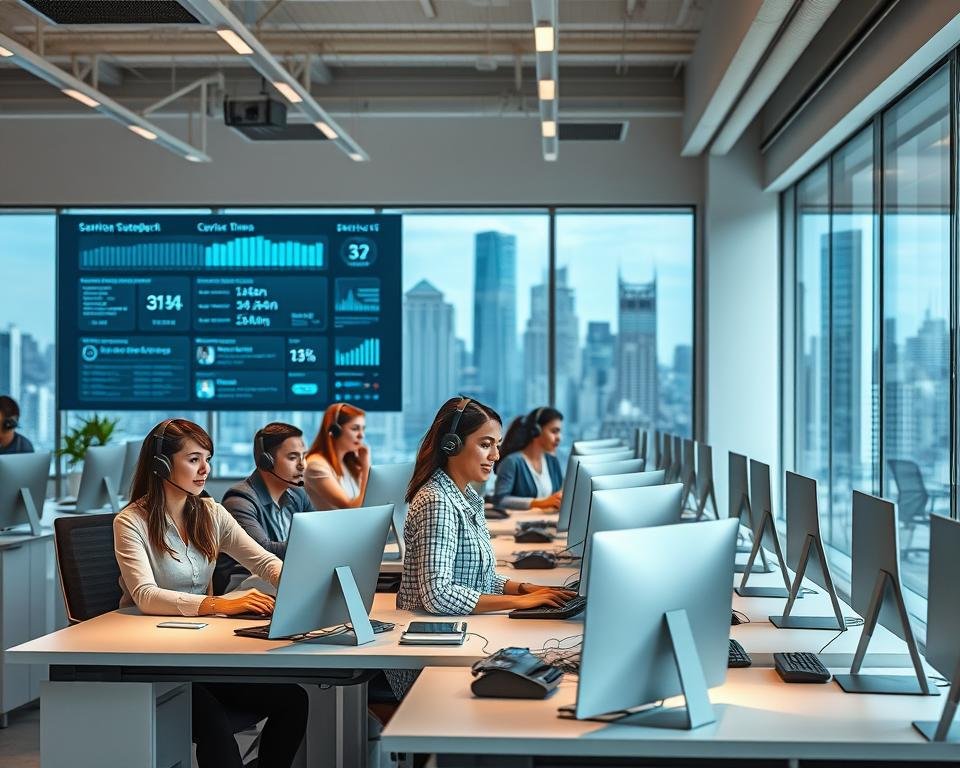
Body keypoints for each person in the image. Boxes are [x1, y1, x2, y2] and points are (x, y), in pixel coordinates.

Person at [113, 418, 307, 768]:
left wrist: (302, 591)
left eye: (208, 459)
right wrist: (220, 604)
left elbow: (264, 562)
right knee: (215, 724)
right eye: (194, 459)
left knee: (293, 700)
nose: (205, 469)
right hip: (153, 659)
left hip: (199, 653)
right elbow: (144, 594)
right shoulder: (131, 522)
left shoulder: (210, 512)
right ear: (161, 464)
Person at [397, 396, 576, 615]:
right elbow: (439, 596)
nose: (495, 455)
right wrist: (519, 602)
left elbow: (481, 578)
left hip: (463, 622)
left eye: (497, 445)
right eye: (485, 445)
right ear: (452, 445)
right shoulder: (437, 501)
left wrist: (525, 589)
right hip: (431, 627)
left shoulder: (467, 497)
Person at [213, 422, 312, 595]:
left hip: (285, 580)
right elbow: (263, 551)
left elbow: (319, 536)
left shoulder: (298, 496)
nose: (302, 465)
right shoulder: (239, 499)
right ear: (266, 461)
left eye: (304, 456)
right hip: (242, 586)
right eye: (292, 457)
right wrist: (313, 546)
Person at [493, 406, 564, 511]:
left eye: (559, 432)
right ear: (537, 430)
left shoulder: (552, 461)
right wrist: (539, 503)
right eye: (554, 431)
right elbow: (500, 499)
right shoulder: (512, 462)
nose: (559, 437)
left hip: (547, 521)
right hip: (519, 524)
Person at [304, 402, 370, 510]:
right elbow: (351, 508)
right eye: (355, 428)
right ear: (335, 431)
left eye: (363, 429)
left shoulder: (347, 464)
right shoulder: (316, 466)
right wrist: (366, 467)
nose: (361, 435)